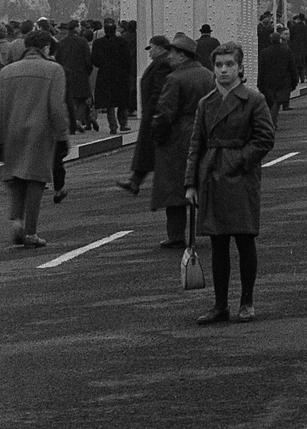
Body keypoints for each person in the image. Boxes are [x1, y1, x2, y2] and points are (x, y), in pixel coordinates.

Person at [184, 42, 276, 324]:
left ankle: (246, 302)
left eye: (229, 65)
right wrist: (190, 184)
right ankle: (220, 304)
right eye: (219, 65)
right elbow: (195, 144)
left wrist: (238, 161)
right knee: (218, 241)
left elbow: (265, 138)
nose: (224, 70)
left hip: (241, 177)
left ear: (240, 68)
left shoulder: (254, 100)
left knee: (245, 239)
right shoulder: (206, 103)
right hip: (211, 175)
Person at [0, 29, 70, 248]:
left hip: (12, 131)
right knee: (35, 180)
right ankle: (31, 232)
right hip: (41, 132)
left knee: (15, 177)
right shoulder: (54, 70)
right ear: (45, 48)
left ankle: (16, 220)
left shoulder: (7, 71)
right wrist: (62, 135)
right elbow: (56, 107)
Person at [152, 34, 215, 248]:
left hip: (178, 136)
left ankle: (176, 234)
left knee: (174, 187)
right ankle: (215, 227)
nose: (169, 57)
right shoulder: (207, 74)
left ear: (182, 55)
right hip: (205, 132)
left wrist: (157, 134)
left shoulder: (175, 79)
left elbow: (166, 113)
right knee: (202, 181)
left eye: (172, 53)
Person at [117, 34, 173, 197]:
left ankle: (140, 182)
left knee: (153, 150)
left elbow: (159, 89)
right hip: (153, 113)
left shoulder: (162, 64)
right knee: (150, 150)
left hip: (154, 114)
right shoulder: (160, 62)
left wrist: (151, 110)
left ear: (160, 48)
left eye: (152, 48)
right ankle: (136, 181)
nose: (149, 52)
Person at [91, 20, 132, 133]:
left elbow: (94, 60)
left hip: (105, 74)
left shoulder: (98, 43)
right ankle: (123, 124)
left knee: (109, 103)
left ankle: (113, 126)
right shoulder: (122, 42)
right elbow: (128, 60)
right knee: (122, 101)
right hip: (120, 75)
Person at [258, 23, 297, 129]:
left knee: (272, 101)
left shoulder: (264, 52)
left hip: (269, 80)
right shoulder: (286, 50)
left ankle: (271, 122)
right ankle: (272, 122)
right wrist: (295, 81)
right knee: (277, 102)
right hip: (283, 80)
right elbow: (292, 67)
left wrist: (259, 83)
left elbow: (261, 69)